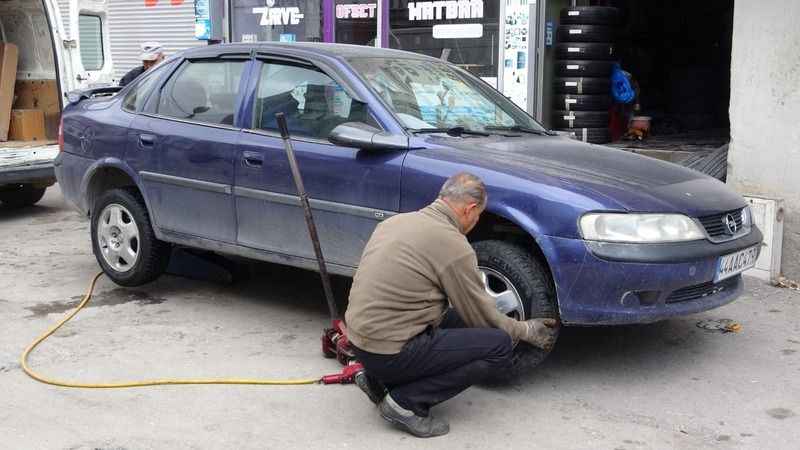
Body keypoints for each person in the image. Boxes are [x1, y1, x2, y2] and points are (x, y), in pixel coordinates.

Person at [345, 172, 558, 438]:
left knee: (457, 318)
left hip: (360, 343)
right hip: (390, 352)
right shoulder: (453, 245)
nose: (476, 221)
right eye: (478, 215)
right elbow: (483, 317)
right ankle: (406, 403)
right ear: (469, 209)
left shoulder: (396, 222)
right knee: (498, 345)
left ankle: (377, 380)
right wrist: (525, 330)